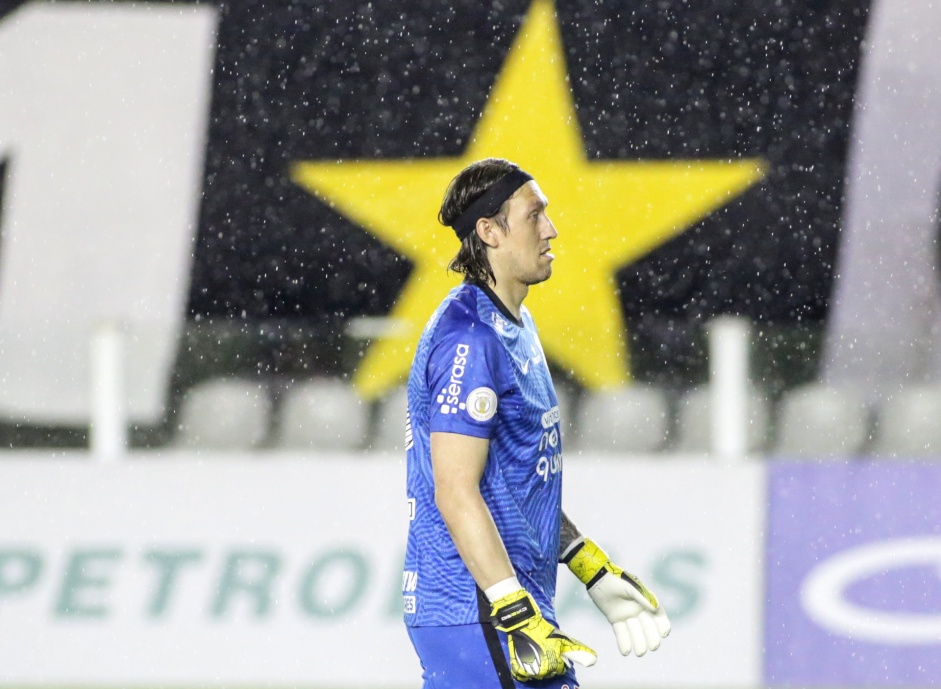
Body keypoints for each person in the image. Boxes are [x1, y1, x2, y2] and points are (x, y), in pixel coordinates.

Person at [402, 158, 671, 689]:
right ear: (489, 231)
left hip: (501, 610)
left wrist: (586, 562)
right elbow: (455, 491)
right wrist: (515, 614)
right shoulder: (470, 340)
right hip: (480, 610)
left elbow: (518, 478)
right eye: (534, 216)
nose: (551, 229)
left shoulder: (513, 325)